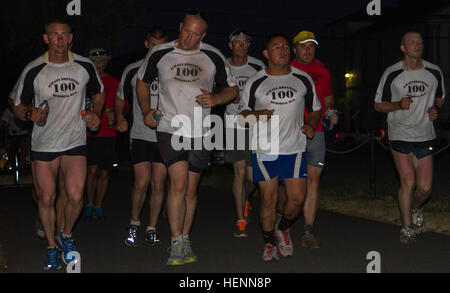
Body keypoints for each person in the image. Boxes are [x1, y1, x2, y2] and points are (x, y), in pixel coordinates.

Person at [136, 10, 238, 265]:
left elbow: (232, 91)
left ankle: (184, 237)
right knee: (178, 184)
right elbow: (142, 82)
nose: (189, 37)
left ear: (202, 35)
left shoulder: (212, 55)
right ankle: (174, 242)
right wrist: (147, 110)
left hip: (201, 131)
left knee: (191, 190)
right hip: (170, 127)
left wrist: (215, 99)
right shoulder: (160, 53)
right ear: (180, 26)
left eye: (196, 34)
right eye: (186, 31)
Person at [13, 19, 105, 270]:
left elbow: (99, 91)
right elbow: (18, 105)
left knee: (76, 197)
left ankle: (66, 235)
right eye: (55, 35)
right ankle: (52, 247)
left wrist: (95, 112)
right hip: (44, 143)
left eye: (65, 35)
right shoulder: (34, 69)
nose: (60, 40)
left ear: (71, 38)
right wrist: (31, 114)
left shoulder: (84, 65)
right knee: (47, 198)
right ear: (46, 38)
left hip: (75, 140)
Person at [239, 34, 321, 262]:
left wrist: (311, 124)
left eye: (285, 46)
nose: (283, 50)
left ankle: (282, 229)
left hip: (294, 147)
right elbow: (243, 115)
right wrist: (257, 114)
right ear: (266, 54)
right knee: (268, 199)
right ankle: (268, 241)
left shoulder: (303, 78)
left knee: (296, 199)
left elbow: (315, 108)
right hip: (265, 148)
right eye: (277, 47)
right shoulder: (255, 81)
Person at [374, 31, 445, 245]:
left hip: (425, 134)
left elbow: (440, 97)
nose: (418, 45)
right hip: (400, 132)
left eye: (420, 41)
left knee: (425, 189)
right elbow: (378, 105)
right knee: (409, 182)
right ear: (403, 48)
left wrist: (435, 109)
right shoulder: (392, 73)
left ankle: (415, 209)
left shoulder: (434, 71)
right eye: (412, 42)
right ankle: (407, 228)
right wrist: (397, 105)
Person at [278, 30, 337, 248]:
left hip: (317, 132)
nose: (307, 50)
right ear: (295, 49)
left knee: (313, 181)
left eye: (311, 46)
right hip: (290, 133)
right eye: (303, 46)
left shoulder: (323, 71)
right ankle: (285, 221)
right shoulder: (287, 69)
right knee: (287, 183)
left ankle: (308, 230)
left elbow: (329, 98)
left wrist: (332, 112)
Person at [116, 27, 169, 247]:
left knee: (158, 184)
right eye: (153, 44)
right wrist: (120, 116)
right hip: (139, 134)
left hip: (165, 135)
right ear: (147, 44)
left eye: (161, 45)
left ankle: (152, 227)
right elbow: (120, 97)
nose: (156, 49)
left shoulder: (171, 70)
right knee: (141, 181)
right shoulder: (132, 69)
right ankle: (134, 222)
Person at [224, 29, 265, 238]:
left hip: (255, 124)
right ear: (230, 45)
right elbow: (214, 91)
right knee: (239, 172)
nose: (241, 45)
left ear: (249, 45)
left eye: (245, 42)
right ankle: (240, 219)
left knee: (253, 177)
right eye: (237, 42)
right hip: (233, 123)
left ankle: (245, 199)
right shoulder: (222, 65)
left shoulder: (258, 66)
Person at [83, 48, 119, 220]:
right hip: (89, 133)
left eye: (102, 60)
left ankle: (99, 205)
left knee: (105, 172)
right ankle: (89, 204)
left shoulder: (114, 82)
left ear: (107, 61)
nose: (99, 64)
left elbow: (123, 107)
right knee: (91, 170)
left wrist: (118, 115)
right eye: (95, 61)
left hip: (109, 133)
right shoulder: (84, 81)